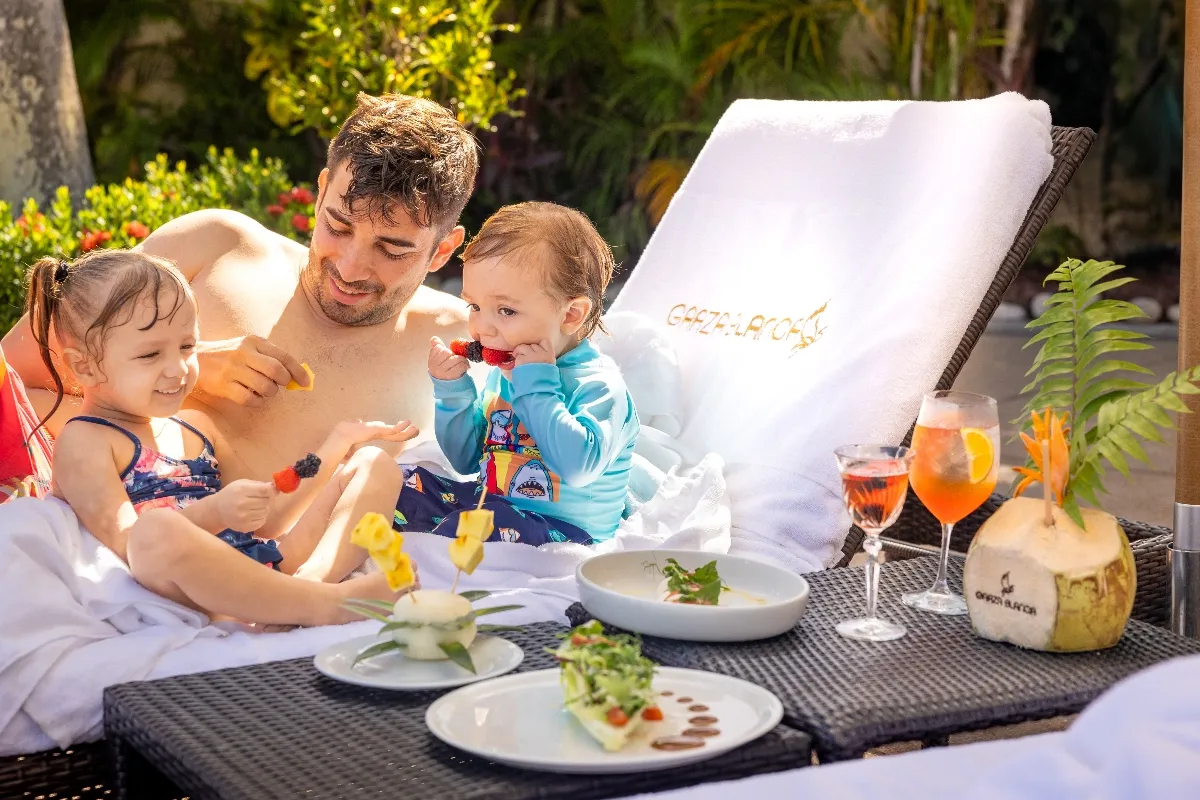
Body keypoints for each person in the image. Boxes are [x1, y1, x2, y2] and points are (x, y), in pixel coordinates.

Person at [1, 93, 478, 536]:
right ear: (321, 191)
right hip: (103, 532)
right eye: (337, 225)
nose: (350, 268)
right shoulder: (216, 245)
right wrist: (185, 367)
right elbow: (11, 386)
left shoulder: (464, 336)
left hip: (259, 568)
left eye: (392, 250)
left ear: (442, 251)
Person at [24, 249, 415, 626]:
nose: (178, 368)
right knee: (153, 532)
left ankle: (312, 585)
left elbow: (269, 517)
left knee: (374, 465)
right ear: (85, 366)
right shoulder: (86, 440)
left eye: (187, 346)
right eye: (150, 355)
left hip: (264, 567)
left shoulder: (193, 426)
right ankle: (323, 606)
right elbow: (130, 546)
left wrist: (338, 443)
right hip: (195, 589)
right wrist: (215, 513)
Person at [402, 202, 639, 545]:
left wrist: (538, 390)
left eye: (506, 311)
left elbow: (577, 468)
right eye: (475, 306)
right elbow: (466, 461)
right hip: (491, 511)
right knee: (402, 484)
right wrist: (453, 393)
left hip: (565, 536)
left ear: (570, 315)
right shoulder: (507, 373)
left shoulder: (599, 386)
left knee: (478, 524)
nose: (483, 328)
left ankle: (434, 550)